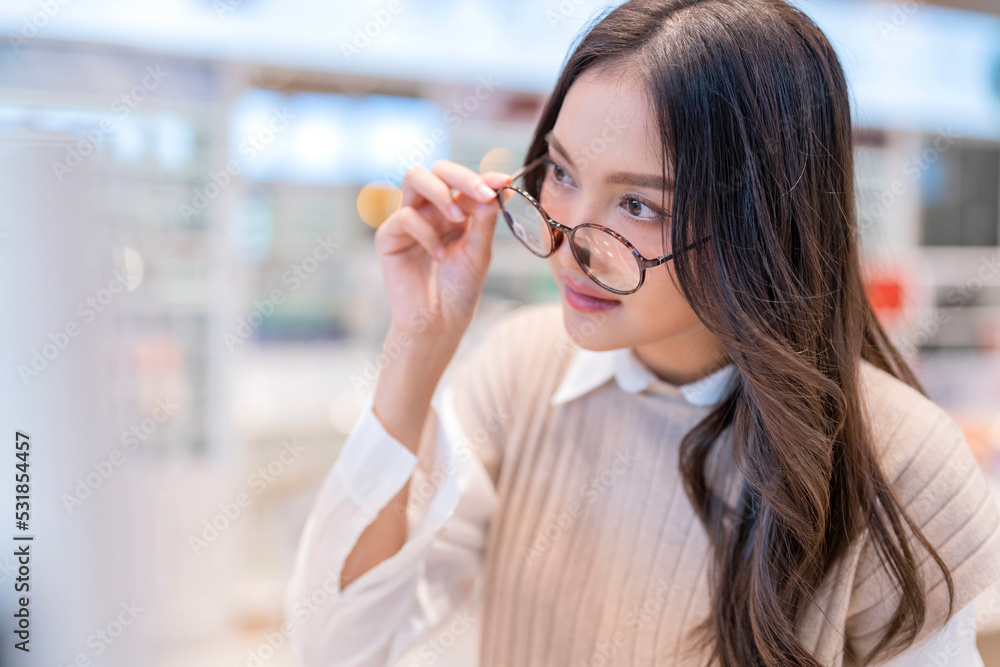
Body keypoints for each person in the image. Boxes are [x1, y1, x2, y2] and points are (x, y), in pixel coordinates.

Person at [283, 0, 1000, 665]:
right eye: (560, 172)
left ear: (760, 219)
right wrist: (416, 347)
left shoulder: (899, 461)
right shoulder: (525, 367)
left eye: (637, 203)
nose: (569, 243)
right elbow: (341, 644)